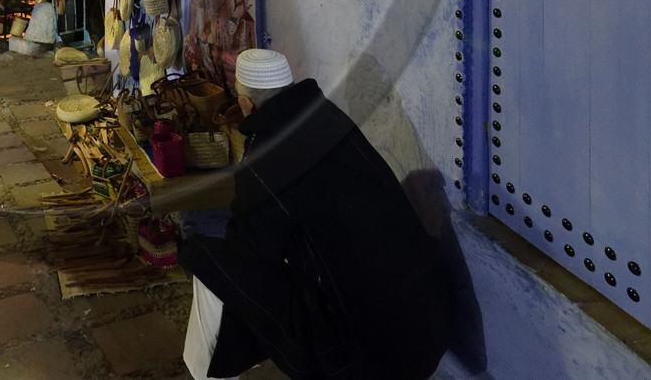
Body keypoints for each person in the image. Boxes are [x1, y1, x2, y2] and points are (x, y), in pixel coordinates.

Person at [178, 49, 452, 380]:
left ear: (246, 103)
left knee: (209, 266)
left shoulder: (266, 157)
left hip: (367, 350)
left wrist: (191, 249)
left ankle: (206, 374)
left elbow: (247, 255)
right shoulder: (329, 117)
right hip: (429, 322)